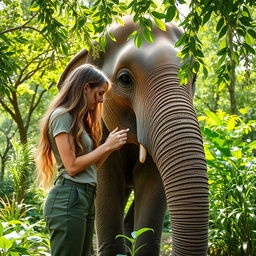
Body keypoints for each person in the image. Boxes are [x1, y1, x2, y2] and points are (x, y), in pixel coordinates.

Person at [35, 64, 128, 256]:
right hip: (68, 198)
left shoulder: (79, 122)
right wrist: (106, 145)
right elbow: (72, 166)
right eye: (99, 93)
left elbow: (91, 166)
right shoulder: (62, 116)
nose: (102, 99)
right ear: (86, 88)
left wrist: (111, 148)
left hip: (85, 197)